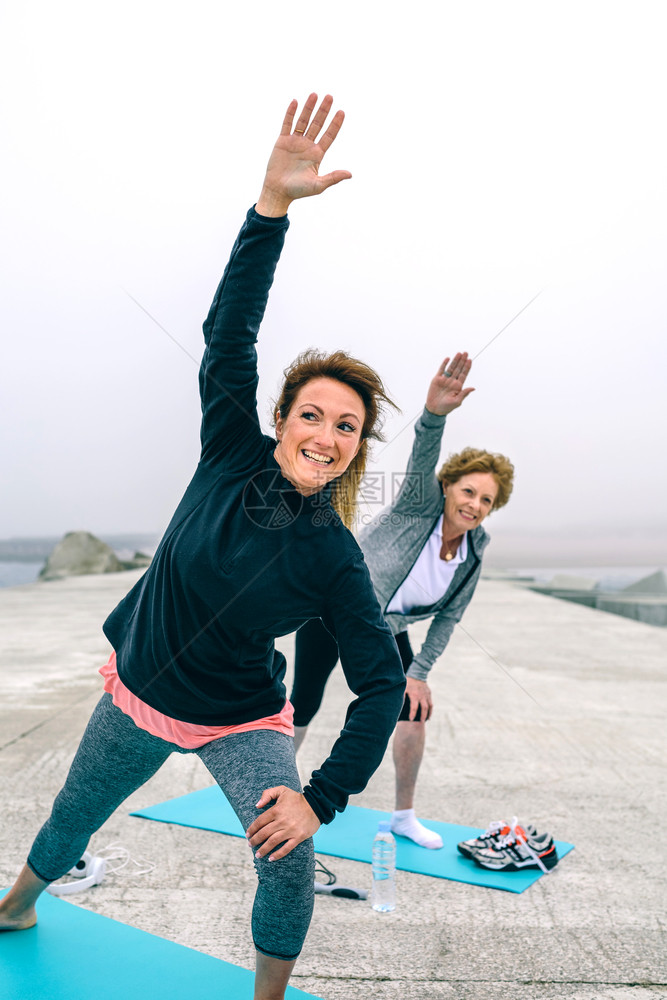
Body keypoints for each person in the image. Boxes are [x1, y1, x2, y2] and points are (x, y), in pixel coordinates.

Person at [0, 93, 407, 1000]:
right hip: (141, 689)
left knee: (289, 861)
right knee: (71, 820)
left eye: (346, 426)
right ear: (279, 421)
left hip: (240, 721)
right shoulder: (229, 449)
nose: (326, 433)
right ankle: (19, 902)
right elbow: (230, 334)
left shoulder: (335, 557)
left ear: (355, 448)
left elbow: (379, 684)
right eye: (312, 413)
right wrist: (271, 210)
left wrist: (322, 795)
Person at [290, 355, 515, 849]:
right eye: (468, 491)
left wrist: (421, 672)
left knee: (412, 708)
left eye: (486, 500)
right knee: (301, 704)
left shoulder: (477, 549)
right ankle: (274, 797)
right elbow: (424, 451)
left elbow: (450, 618)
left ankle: (404, 816)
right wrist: (434, 414)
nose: (474, 504)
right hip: (333, 610)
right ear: (448, 487)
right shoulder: (420, 505)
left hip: (383, 627)